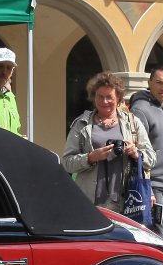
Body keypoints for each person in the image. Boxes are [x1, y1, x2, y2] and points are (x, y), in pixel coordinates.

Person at [62, 72, 154, 214]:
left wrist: (136, 153)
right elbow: (67, 163)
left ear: (118, 98)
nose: (104, 101)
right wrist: (91, 157)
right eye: (100, 96)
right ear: (93, 97)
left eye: (109, 97)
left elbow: (151, 159)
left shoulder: (133, 123)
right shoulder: (82, 124)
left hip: (126, 201)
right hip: (89, 202)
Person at [129, 66, 163, 237]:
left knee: (161, 233)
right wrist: (148, 188)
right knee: (155, 234)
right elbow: (137, 149)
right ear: (150, 83)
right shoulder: (140, 109)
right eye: (159, 82)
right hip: (153, 184)